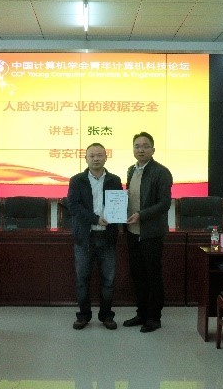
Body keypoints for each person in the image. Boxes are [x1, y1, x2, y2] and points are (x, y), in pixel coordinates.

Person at [67, 143, 123, 330]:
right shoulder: (77, 180)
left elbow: (117, 205)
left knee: (108, 279)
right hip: (85, 238)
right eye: (92, 155)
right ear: (86, 158)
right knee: (82, 279)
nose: (96, 158)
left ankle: (106, 315)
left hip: (107, 237)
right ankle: (83, 315)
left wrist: (122, 207)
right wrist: (95, 219)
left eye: (100, 155)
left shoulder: (115, 180)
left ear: (106, 157)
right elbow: (73, 206)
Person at [123, 132, 173, 333]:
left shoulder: (161, 172)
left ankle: (154, 318)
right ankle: (141, 313)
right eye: (137, 146)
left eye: (145, 146)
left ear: (153, 149)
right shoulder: (131, 170)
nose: (141, 149)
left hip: (151, 233)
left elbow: (164, 203)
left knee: (153, 276)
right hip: (132, 231)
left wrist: (141, 215)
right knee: (138, 275)